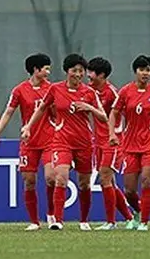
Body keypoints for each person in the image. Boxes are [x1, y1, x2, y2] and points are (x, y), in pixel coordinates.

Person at [21, 54, 107, 230]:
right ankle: (58, 221)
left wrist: (89, 107)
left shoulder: (89, 92)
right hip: (61, 141)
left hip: (84, 142)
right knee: (60, 178)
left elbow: (104, 117)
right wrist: (28, 127)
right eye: (74, 70)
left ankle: (84, 221)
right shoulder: (55, 89)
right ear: (67, 71)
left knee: (84, 183)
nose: (78, 74)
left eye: (81, 71)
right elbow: (42, 108)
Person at [0, 53, 56, 230]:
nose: (48, 71)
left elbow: (57, 114)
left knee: (51, 178)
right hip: (29, 142)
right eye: (45, 68)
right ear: (36, 70)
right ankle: (34, 221)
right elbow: (8, 112)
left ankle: (51, 214)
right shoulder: (20, 90)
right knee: (29, 181)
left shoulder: (51, 89)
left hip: (50, 140)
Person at [109, 55, 150, 231]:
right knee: (129, 190)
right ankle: (138, 211)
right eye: (141, 69)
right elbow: (114, 113)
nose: (145, 73)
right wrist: (112, 133)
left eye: (148, 70)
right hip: (130, 144)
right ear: (135, 72)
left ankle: (144, 223)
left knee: (147, 181)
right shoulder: (125, 92)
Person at [87, 57, 134, 230]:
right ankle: (130, 217)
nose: (88, 75)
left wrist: (120, 135)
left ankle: (111, 222)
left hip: (113, 141)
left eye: (91, 72)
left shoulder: (112, 93)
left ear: (102, 75)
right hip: (97, 141)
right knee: (110, 182)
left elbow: (125, 114)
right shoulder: (89, 91)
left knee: (105, 178)